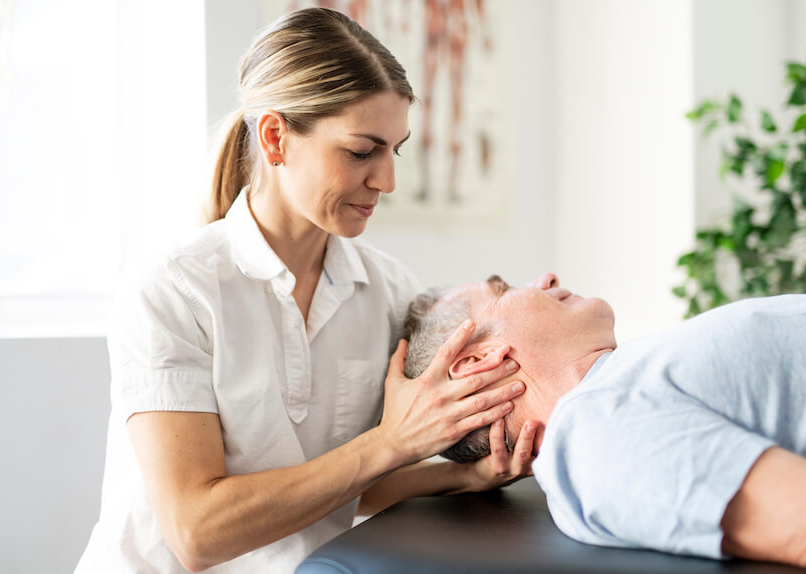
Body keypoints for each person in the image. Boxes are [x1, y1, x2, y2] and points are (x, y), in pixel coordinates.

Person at [74, 8, 538, 573]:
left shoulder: (387, 291)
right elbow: (196, 533)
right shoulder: (172, 293)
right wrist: (391, 442)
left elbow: (343, 487)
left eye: (396, 149)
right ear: (275, 137)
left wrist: (463, 474)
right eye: (362, 151)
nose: (387, 180)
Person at [403, 272, 806, 573]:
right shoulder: (592, 437)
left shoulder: (614, 392)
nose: (548, 279)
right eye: (507, 288)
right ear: (476, 363)